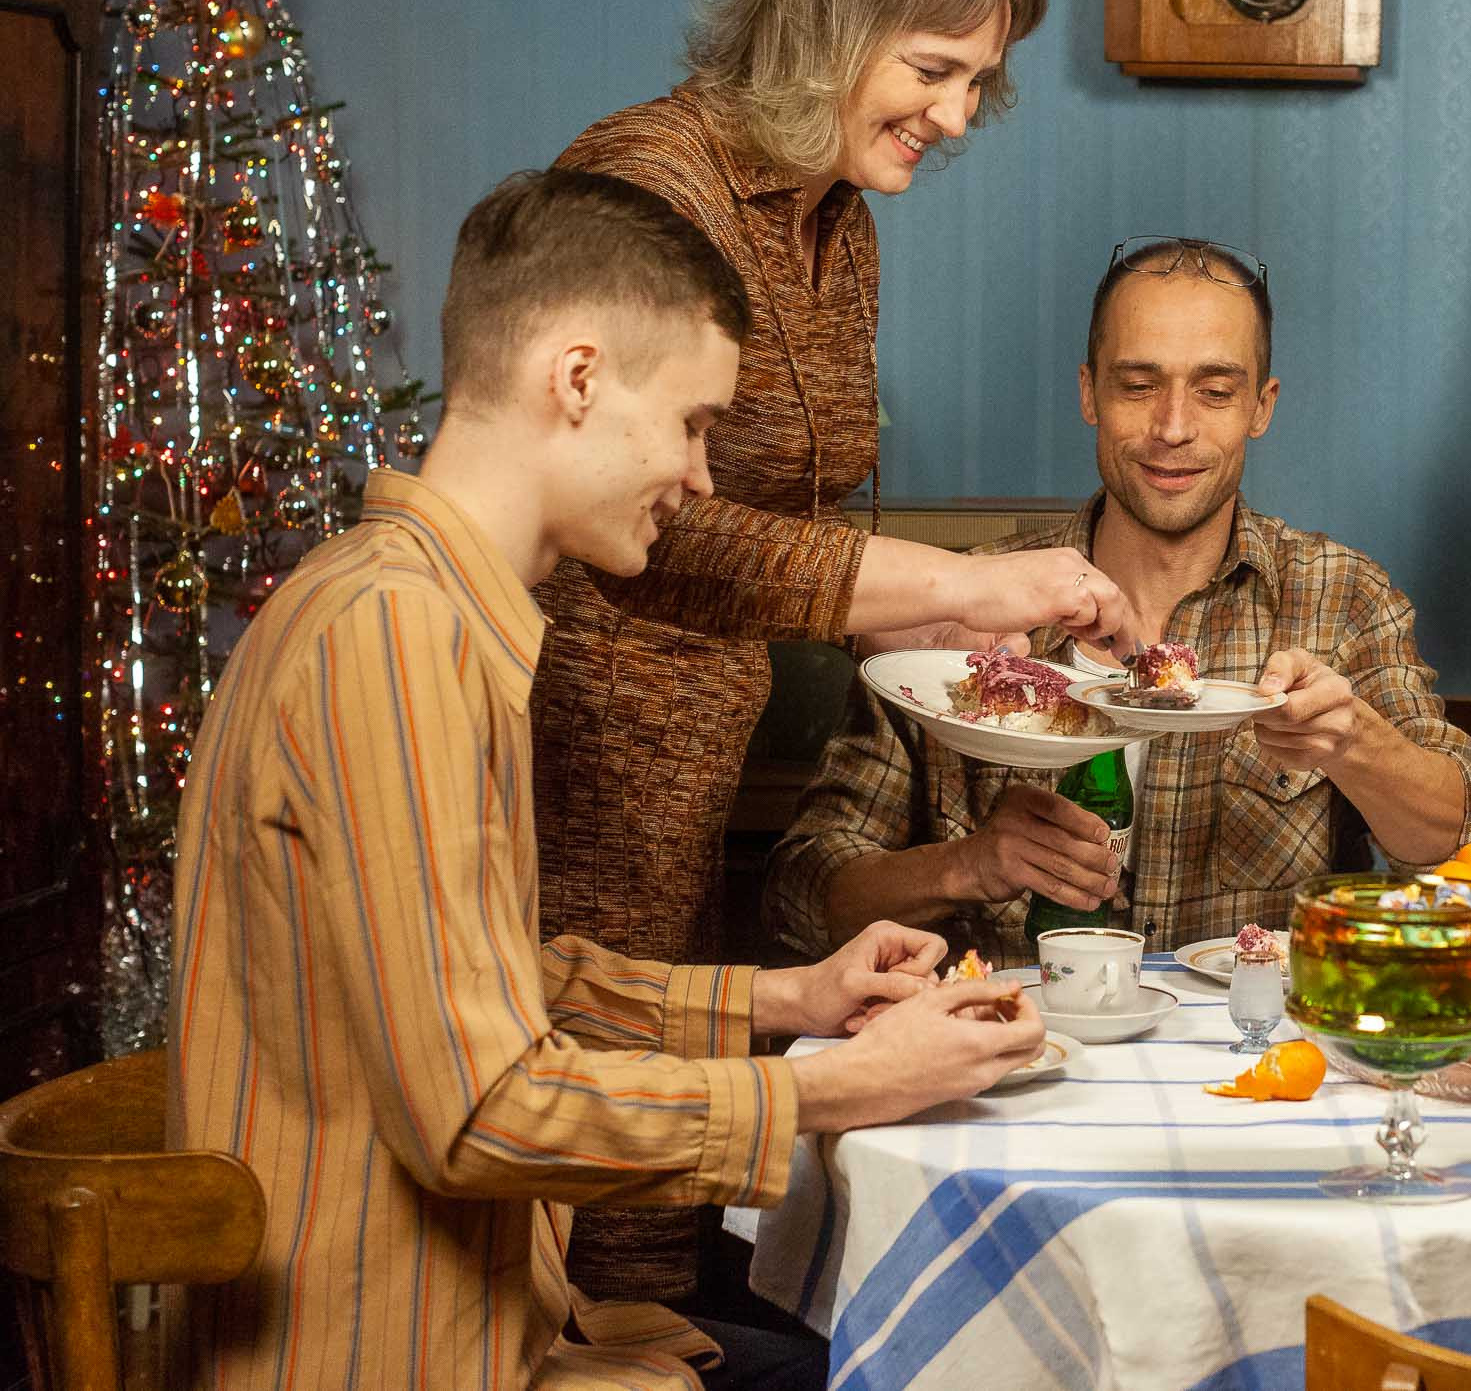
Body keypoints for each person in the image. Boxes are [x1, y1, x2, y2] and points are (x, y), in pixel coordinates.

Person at [167, 171, 1044, 1391]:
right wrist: (834, 1092)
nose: (698, 477)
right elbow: (476, 1112)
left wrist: (793, 1001)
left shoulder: (411, 607)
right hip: (398, 1355)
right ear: (576, 379)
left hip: (509, 1323)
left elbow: (494, 986)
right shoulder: (393, 634)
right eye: (693, 422)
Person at [529, 0, 1132, 1300]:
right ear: (822, 28)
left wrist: (987, 620)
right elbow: (655, 523)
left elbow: (793, 524)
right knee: (585, 1171)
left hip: (712, 744)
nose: (959, 114)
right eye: (934, 69)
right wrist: (966, 585)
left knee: (668, 1179)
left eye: (980, 80)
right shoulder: (644, 181)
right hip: (578, 733)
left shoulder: (835, 212)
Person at [766, 238, 1471, 965]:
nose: (1173, 427)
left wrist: (1355, 747)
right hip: (1008, 1056)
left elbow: (1470, 843)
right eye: (1138, 384)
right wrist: (967, 866)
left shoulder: (1341, 595)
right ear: (1089, 391)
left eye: (1215, 391)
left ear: (1261, 405)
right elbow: (802, 894)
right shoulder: (973, 602)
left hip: (1258, 1059)